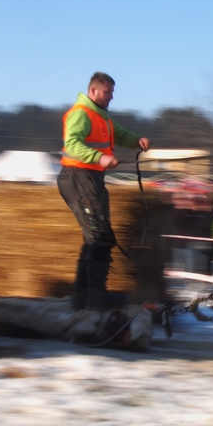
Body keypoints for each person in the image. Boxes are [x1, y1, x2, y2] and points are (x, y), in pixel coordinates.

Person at [58, 72, 149, 310]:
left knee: (95, 238)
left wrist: (136, 140)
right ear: (93, 91)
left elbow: (120, 134)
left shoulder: (103, 116)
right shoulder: (81, 113)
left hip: (92, 179)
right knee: (99, 237)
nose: (111, 97)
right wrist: (100, 158)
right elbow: (73, 144)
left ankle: (82, 297)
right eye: (107, 92)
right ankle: (94, 299)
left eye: (112, 93)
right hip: (78, 178)